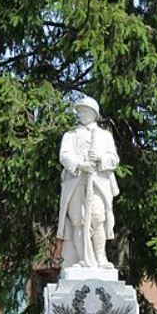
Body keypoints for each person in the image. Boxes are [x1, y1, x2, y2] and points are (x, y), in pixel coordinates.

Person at [57, 96, 119, 268]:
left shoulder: (104, 136)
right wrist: (79, 165)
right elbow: (64, 155)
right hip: (76, 182)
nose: (82, 114)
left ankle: (100, 258)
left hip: (98, 182)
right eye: (80, 111)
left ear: (94, 113)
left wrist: (100, 158)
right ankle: (82, 258)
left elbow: (114, 159)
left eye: (85, 110)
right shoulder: (70, 135)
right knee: (78, 220)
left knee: (98, 217)